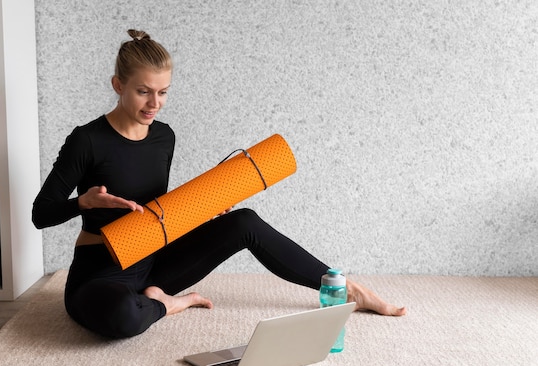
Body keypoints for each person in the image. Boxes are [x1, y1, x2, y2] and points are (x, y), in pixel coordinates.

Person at [32, 29, 406, 339]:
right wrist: (84, 203)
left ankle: (346, 290)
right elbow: (41, 213)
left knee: (244, 221)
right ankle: (168, 303)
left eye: (163, 92)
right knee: (122, 319)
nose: (154, 103)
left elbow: (154, 213)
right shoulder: (87, 140)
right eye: (143, 91)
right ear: (117, 84)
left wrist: (200, 214)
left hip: (154, 263)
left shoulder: (164, 137)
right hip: (101, 273)